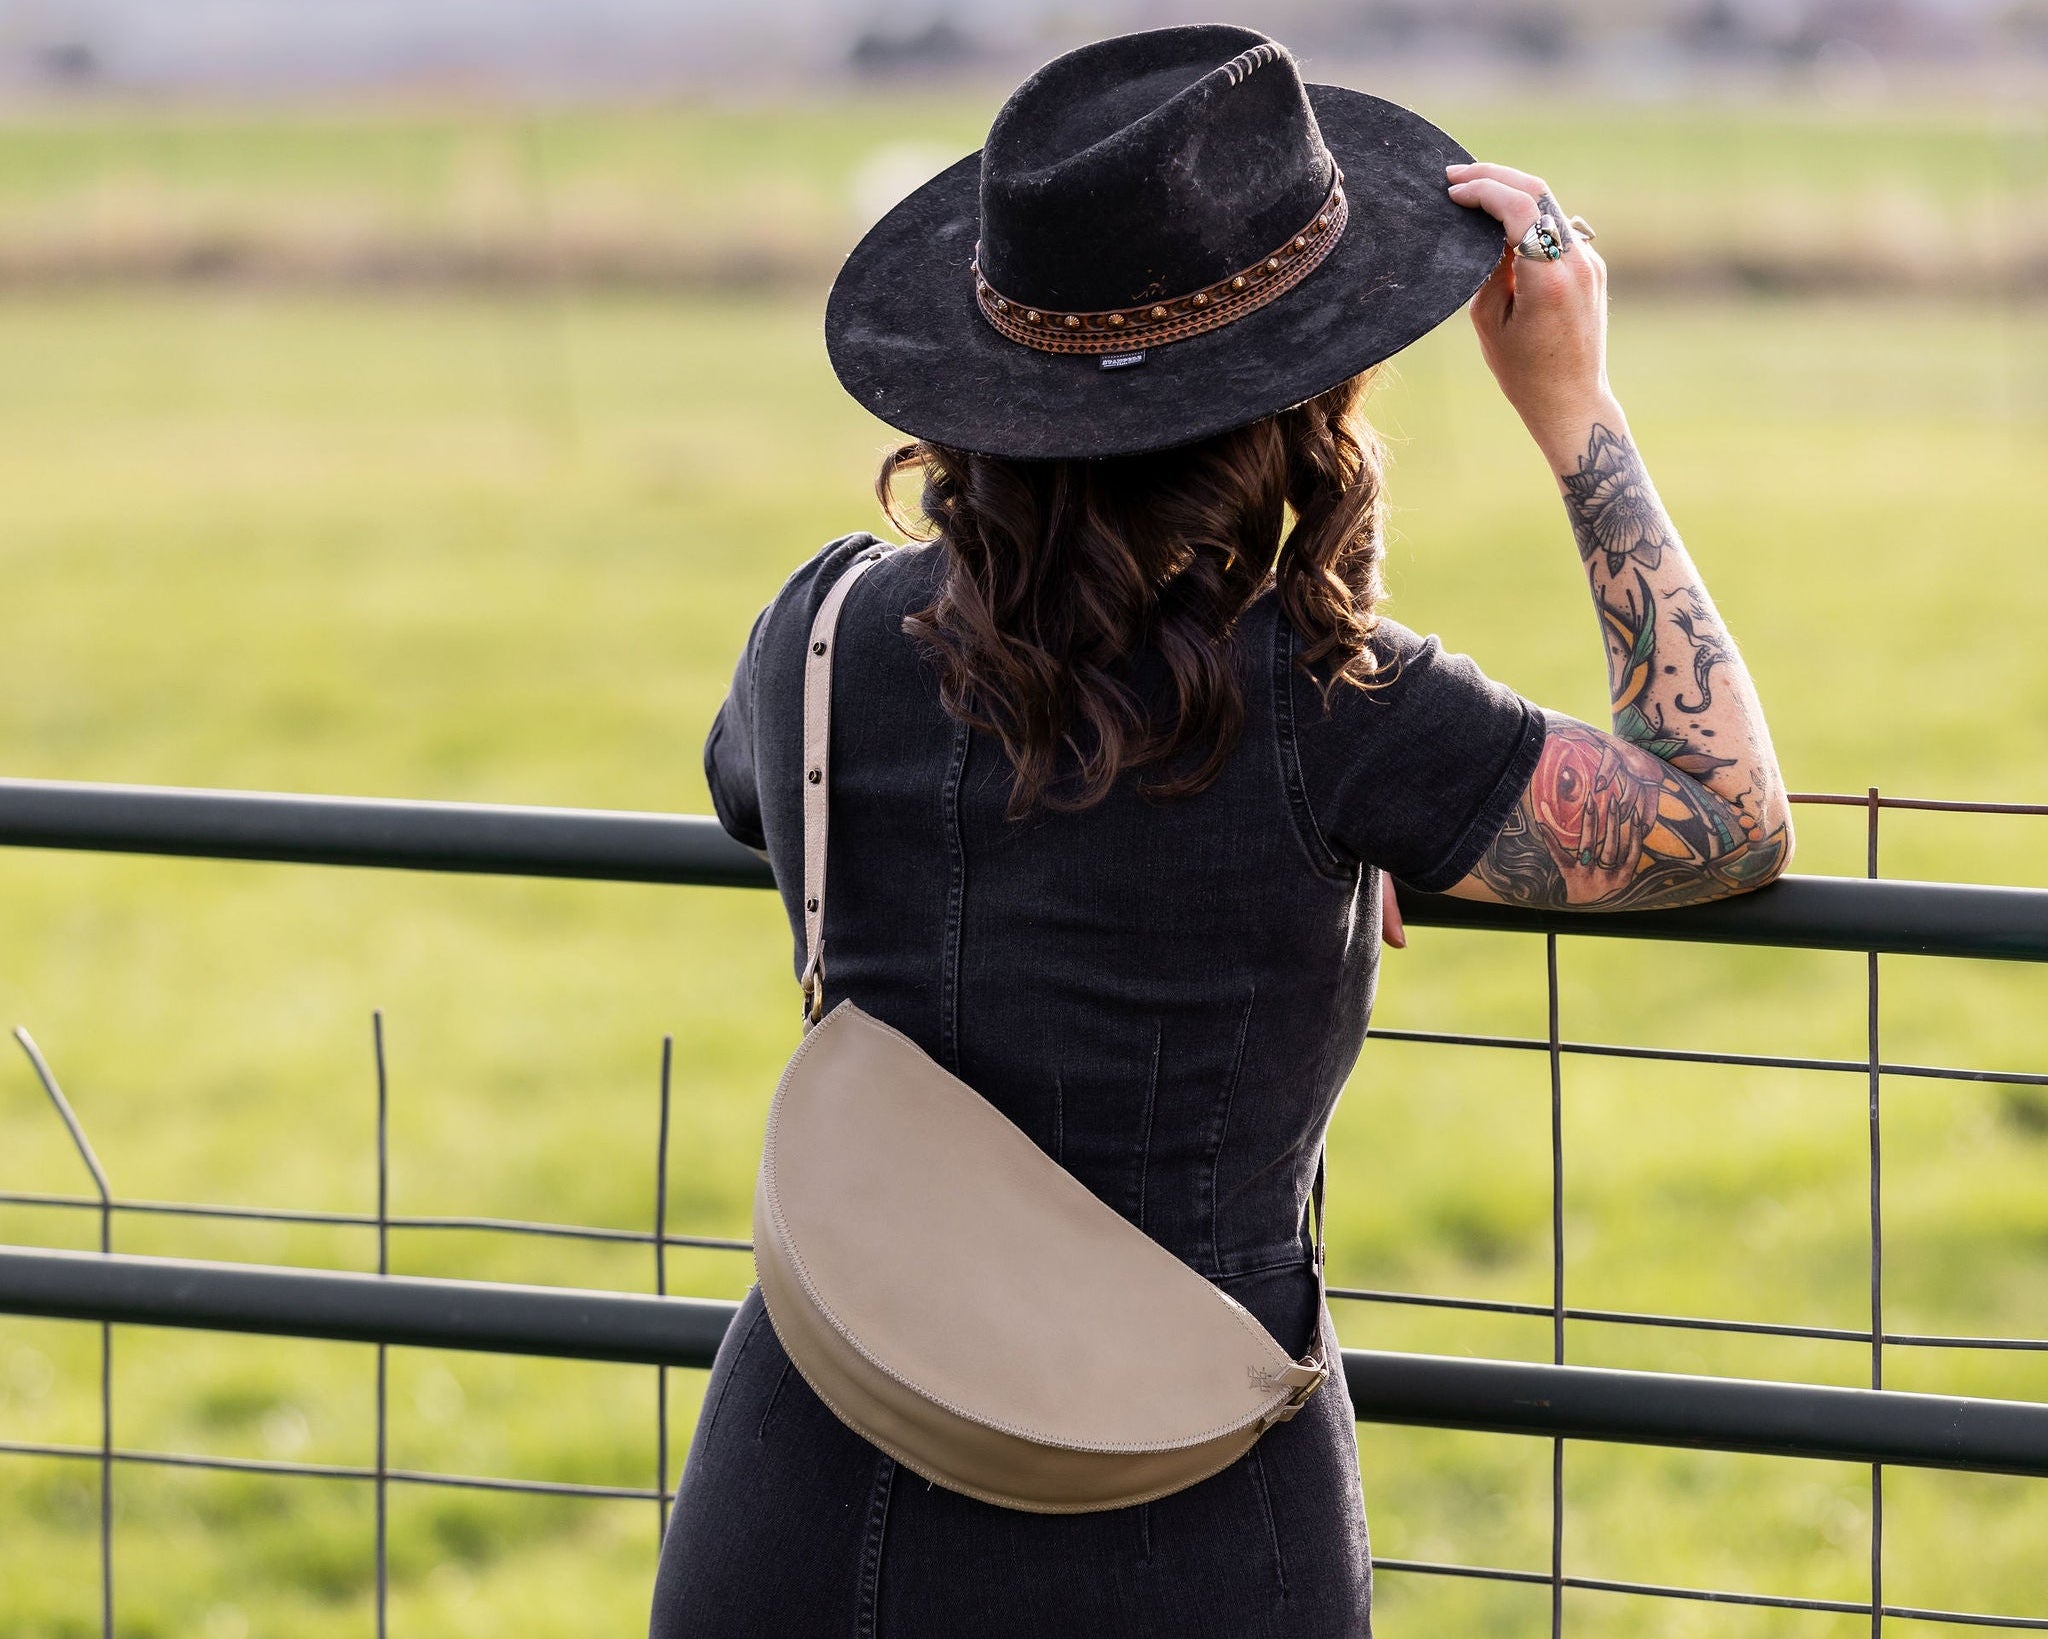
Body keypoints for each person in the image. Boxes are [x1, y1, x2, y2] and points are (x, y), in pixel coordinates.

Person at [651, 23, 1790, 1639]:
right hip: (1176, 1492)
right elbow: (1723, 811)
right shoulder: (1333, 708)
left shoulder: (821, 636)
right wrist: (1576, 413)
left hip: (810, 1464)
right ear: (1309, 390)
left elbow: (761, 789)